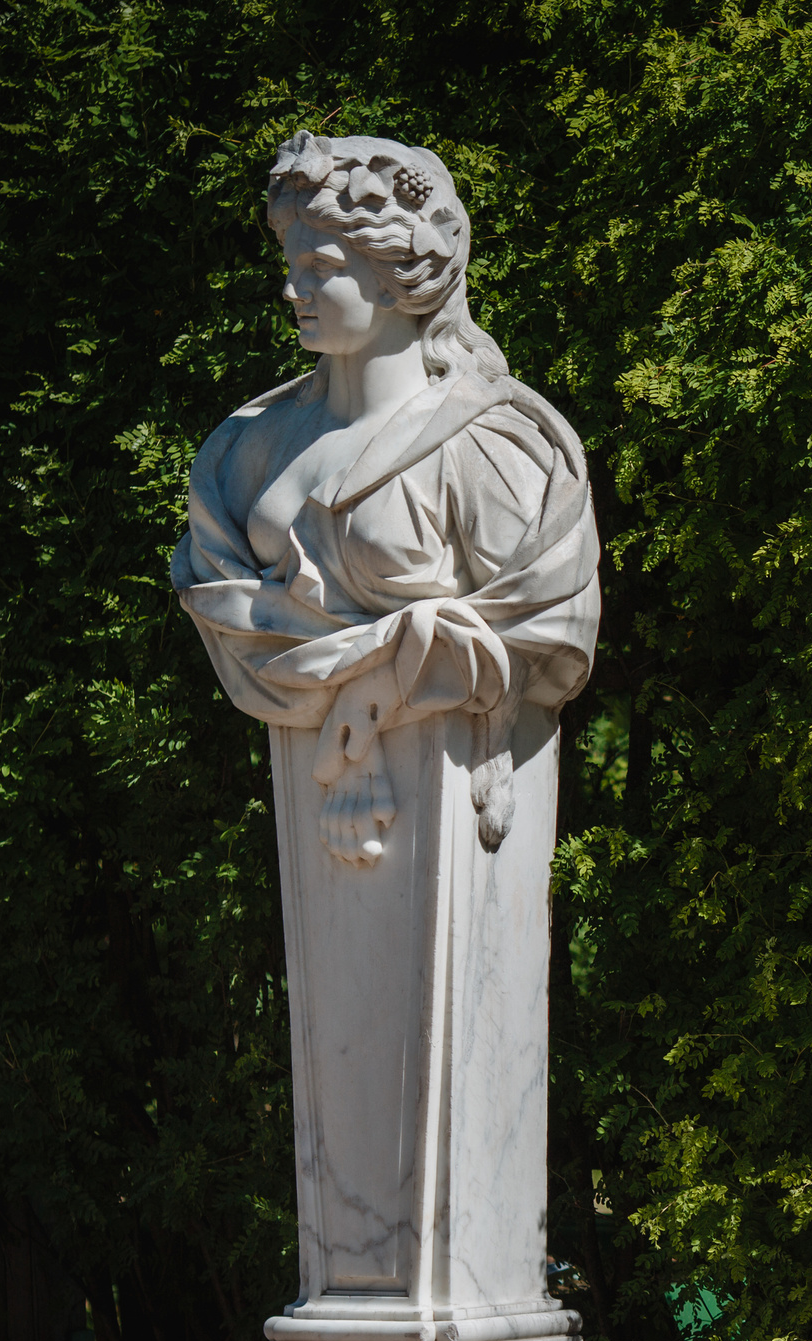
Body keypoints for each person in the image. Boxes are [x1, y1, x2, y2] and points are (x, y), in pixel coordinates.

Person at [172, 132, 599, 866]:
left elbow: (545, 624)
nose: (291, 290)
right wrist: (397, 656)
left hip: (450, 790)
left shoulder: (485, 448)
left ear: (401, 276)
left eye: (320, 269)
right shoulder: (245, 453)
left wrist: (385, 678)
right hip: (315, 785)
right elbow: (218, 596)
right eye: (290, 266)